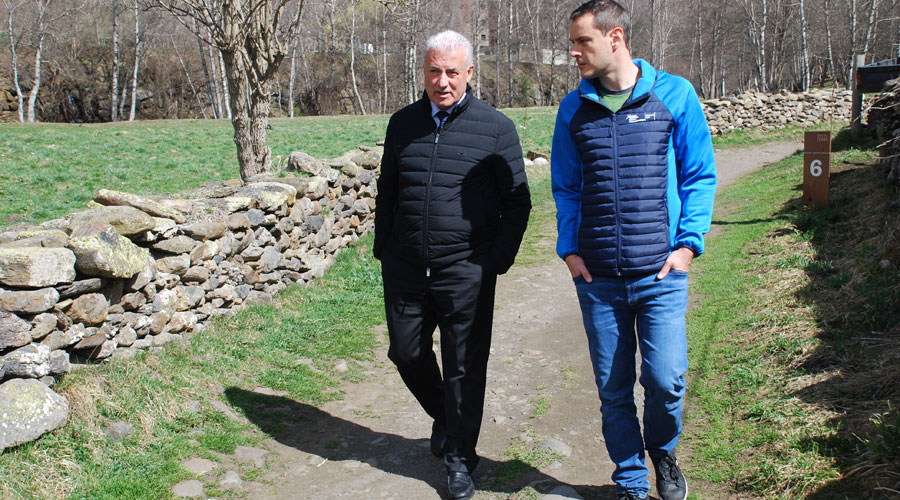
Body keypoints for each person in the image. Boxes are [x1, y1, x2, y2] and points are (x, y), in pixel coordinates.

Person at [551, 2, 717, 500]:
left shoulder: (675, 94)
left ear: (615, 38)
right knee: (613, 389)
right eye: (573, 43)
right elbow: (566, 187)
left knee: (665, 381)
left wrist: (687, 246)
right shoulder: (572, 108)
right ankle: (630, 480)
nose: (574, 52)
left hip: (660, 274)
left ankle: (662, 452)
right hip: (598, 279)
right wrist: (570, 249)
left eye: (583, 42)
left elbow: (699, 176)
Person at [373, 29, 531, 500]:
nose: (442, 82)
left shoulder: (496, 127)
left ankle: (460, 458)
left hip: (467, 269)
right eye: (434, 72)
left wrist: (494, 262)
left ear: (469, 74)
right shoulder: (402, 124)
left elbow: (517, 204)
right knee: (406, 352)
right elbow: (388, 191)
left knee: (465, 365)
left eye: (451, 72)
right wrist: (385, 249)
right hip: (406, 266)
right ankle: (447, 417)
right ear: (424, 72)